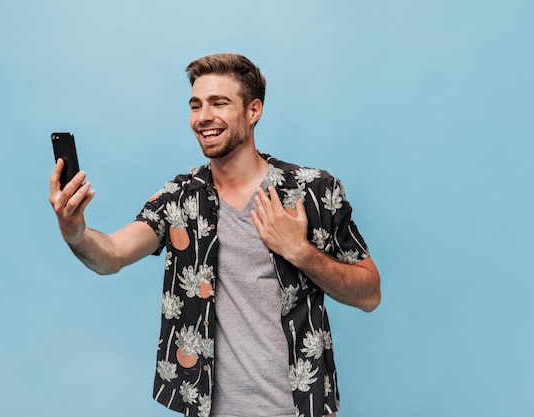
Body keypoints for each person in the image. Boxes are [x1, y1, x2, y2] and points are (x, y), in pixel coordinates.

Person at [49, 53, 381, 417]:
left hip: (301, 409)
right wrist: (75, 230)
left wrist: (300, 252)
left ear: (253, 111)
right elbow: (111, 255)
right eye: (196, 105)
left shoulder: (313, 191)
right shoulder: (180, 197)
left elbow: (369, 293)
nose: (203, 116)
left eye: (219, 103)